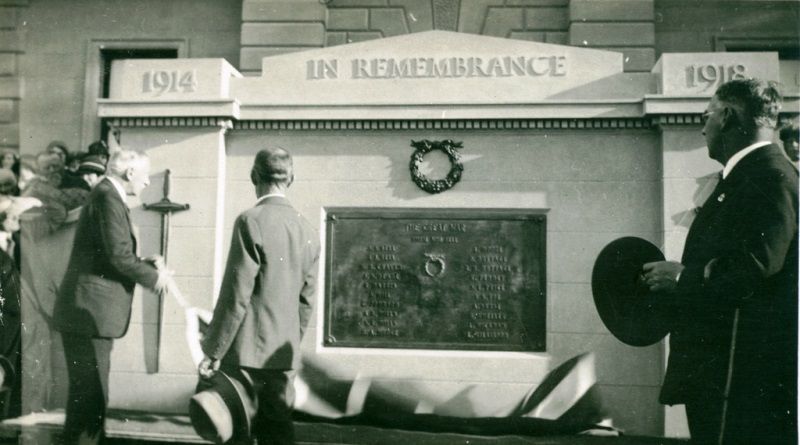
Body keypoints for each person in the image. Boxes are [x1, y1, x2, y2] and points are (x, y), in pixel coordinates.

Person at [642, 79, 798, 444]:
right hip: (722, 372)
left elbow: (755, 268)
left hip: (738, 381)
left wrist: (682, 279)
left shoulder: (769, 177)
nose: (703, 127)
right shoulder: (750, 175)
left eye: (707, 115)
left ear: (726, 117)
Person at [199, 147, 320, 445]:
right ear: (291, 178)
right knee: (278, 433)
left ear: (254, 176)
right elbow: (306, 301)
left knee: (237, 433)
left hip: (244, 354)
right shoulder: (308, 229)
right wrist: (289, 339)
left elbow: (236, 293)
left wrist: (214, 351)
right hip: (283, 354)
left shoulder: (250, 221)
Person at [53, 149, 173, 445]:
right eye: (145, 175)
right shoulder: (108, 197)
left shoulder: (106, 194)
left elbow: (108, 254)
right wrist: (154, 278)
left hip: (88, 314)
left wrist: (144, 263)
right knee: (90, 402)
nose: (147, 182)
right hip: (89, 315)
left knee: (87, 403)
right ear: (130, 173)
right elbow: (118, 256)